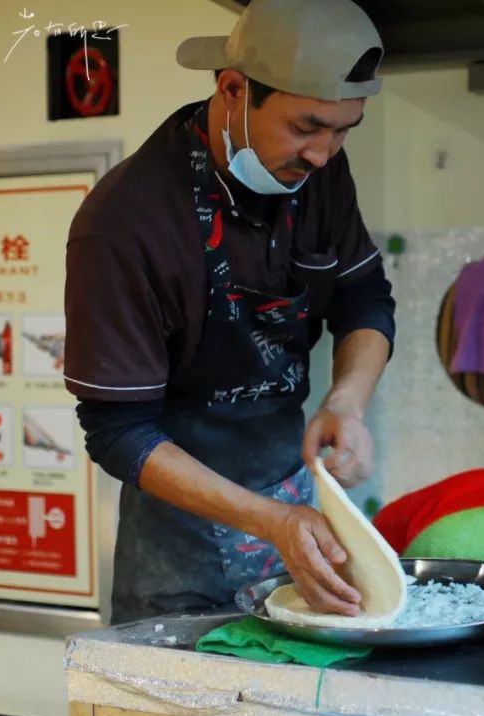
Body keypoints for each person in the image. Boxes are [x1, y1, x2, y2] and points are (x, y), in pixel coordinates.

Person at [63, 0, 393, 625]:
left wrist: (345, 402)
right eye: (306, 127)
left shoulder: (318, 173)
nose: (324, 153)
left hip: (295, 499)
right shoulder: (125, 223)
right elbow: (118, 431)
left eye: (345, 130)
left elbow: (364, 297)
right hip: (178, 548)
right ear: (234, 89)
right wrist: (269, 521)